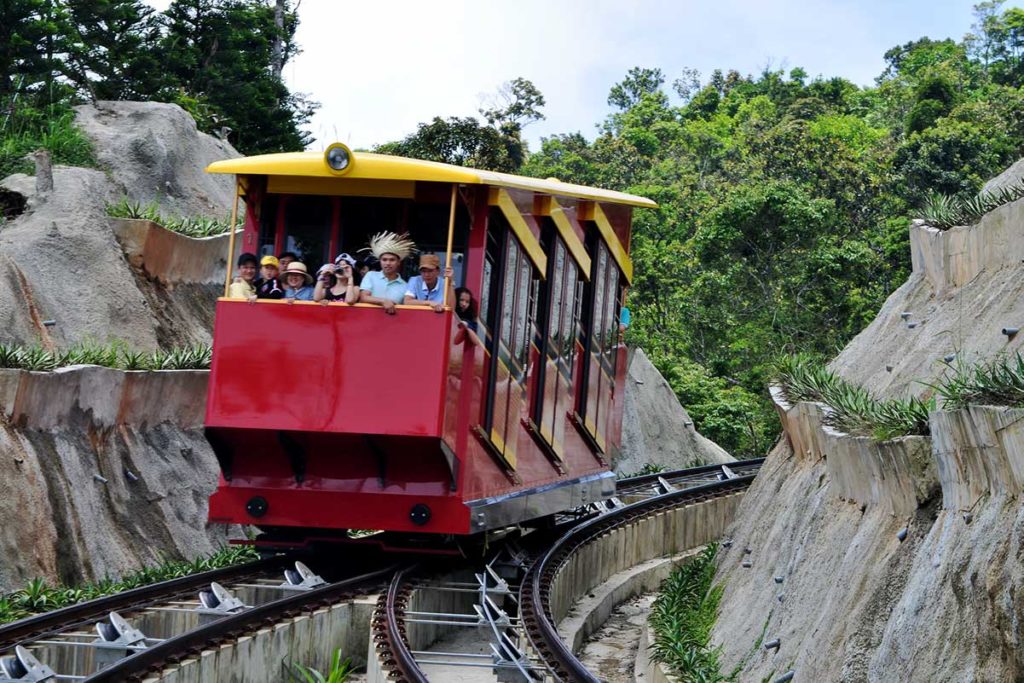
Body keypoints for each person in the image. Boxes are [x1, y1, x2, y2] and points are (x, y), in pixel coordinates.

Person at [358, 231, 416, 314]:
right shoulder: (370, 275)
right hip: (367, 322)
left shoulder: (405, 286)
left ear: (398, 262)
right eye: (384, 260)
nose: (388, 263)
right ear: (380, 261)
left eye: (392, 260)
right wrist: (383, 301)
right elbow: (363, 297)